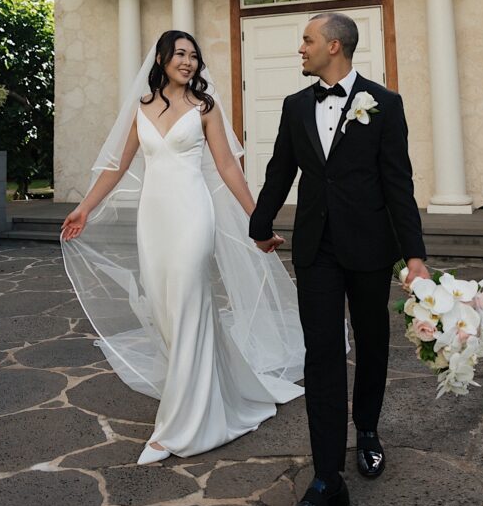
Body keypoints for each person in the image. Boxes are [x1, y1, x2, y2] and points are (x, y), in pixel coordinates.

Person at [60, 30, 304, 466]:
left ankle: (177, 426)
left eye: (193, 56)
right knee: (167, 311)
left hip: (194, 216)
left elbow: (228, 165)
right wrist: (83, 209)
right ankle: (217, 393)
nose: (188, 62)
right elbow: (116, 167)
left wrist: (257, 218)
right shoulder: (140, 108)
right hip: (153, 221)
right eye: (180, 54)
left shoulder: (205, 108)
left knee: (190, 302)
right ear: (161, 58)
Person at [250, 11, 430, 506]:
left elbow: (399, 183)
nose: (299, 49)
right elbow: (280, 169)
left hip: (372, 249)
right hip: (316, 251)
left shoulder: (385, 104)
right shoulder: (294, 105)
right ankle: (328, 478)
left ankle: (367, 430)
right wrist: (259, 224)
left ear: (333, 46)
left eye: (306, 40)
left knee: (372, 343)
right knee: (322, 356)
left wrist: (414, 256)